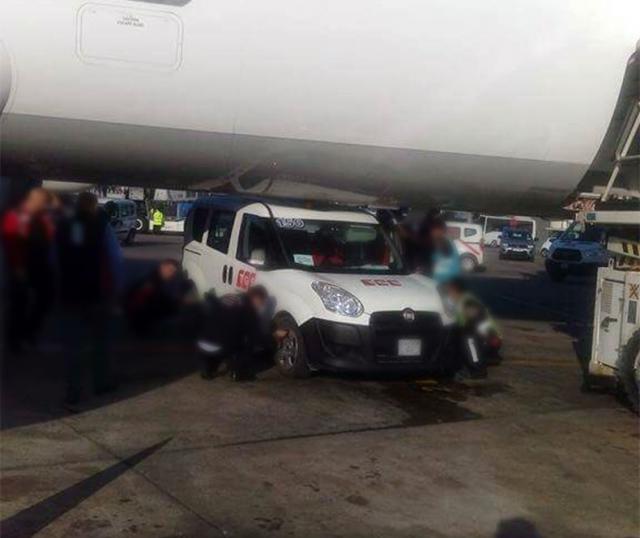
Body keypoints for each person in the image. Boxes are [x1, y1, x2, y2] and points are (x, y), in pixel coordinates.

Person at [55, 192, 124, 407]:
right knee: (101, 341)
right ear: (94, 206)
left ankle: (73, 390)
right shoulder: (102, 227)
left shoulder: (66, 225)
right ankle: (101, 382)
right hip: (97, 293)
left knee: (74, 344)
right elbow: (115, 259)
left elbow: (54, 258)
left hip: (71, 293)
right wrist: (117, 290)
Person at [1, 188, 56, 353]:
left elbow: (50, 236)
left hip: (39, 264)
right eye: (41, 201)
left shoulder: (42, 218)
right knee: (19, 304)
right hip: (22, 266)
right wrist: (18, 266)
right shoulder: (16, 215)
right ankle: (16, 340)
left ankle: (29, 332)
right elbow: (11, 242)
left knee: (45, 299)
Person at [197, 285, 287, 381]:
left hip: (202, 342)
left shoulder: (230, 297)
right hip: (220, 345)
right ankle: (239, 373)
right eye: (262, 302)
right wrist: (274, 338)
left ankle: (207, 369)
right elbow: (257, 337)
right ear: (255, 298)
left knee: (224, 333)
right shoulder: (248, 310)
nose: (262, 305)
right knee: (247, 343)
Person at [125, 258, 195, 337]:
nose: (171, 274)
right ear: (162, 267)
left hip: (139, 310)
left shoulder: (157, 278)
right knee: (170, 307)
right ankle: (141, 328)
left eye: (173, 272)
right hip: (137, 314)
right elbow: (138, 301)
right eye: (170, 270)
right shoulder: (151, 282)